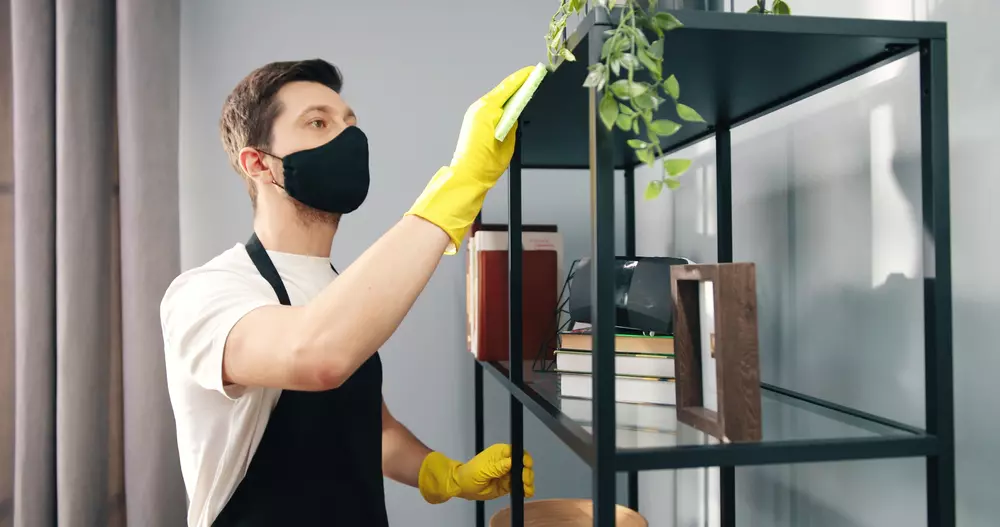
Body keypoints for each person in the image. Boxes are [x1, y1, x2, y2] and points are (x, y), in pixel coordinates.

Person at [159, 59, 536, 527]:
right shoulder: (207, 292)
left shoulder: (340, 289)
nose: (348, 139)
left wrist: (446, 475)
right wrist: (460, 183)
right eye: (318, 123)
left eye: (350, 124)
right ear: (258, 164)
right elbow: (315, 354)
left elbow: (372, 431)